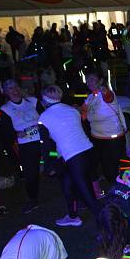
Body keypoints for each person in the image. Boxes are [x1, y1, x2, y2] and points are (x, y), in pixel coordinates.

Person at [38, 85, 101, 226]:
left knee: (89, 198)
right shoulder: (72, 110)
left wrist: (47, 166)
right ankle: (72, 216)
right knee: (68, 181)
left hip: (75, 158)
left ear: (44, 100)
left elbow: (46, 145)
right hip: (89, 152)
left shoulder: (44, 117)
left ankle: (115, 231)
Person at [1, 79, 41, 213]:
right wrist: (16, 134)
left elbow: (46, 116)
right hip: (26, 145)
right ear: (6, 92)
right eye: (10, 88)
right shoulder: (5, 109)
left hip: (43, 140)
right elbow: (6, 131)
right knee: (30, 174)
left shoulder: (33, 101)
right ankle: (32, 200)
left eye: (16, 87)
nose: (15, 90)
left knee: (56, 163)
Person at [82, 71, 126, 184]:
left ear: (100, 80)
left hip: (113, 137)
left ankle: (126, 188)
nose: (89, 82)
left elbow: (109, 97)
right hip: (97, 137)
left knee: (119, 164)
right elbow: (83, 114)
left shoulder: (106, 93)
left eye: (92, 79)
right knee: (106, 165)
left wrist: (104, 90)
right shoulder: (90, 97)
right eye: (87, 79)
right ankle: (114, 188)